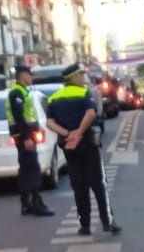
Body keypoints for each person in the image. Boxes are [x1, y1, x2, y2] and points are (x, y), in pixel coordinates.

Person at [46, 62, 120, 236]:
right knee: (98, 183)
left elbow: (49, 122)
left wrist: (67, 134)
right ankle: (107, 222)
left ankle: (84, 225)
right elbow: (91, 113)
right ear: (72, 78)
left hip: (69, 147)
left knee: (78, 186)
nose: (82, 78)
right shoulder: (84, 93)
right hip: (87, 143)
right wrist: (78, 132)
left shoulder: (54, 98)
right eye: (79, 75)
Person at [7, 64, 53, 217]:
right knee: (32, 168)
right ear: (22, 76)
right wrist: (26, 137)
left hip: (25, 136)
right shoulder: (17, 93)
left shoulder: (23, 92)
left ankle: (26, 203)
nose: (31, 78)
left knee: (27, 169)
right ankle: (35, 202)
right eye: (29, 75)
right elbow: (19, 117)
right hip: (24, 137)